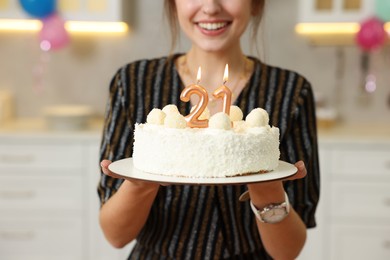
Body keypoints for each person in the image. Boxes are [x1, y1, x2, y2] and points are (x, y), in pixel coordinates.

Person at [98, 0, 320, 259]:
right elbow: (115, 236)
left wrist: (268, 189)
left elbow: (288, 252)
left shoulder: (291, 91)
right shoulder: (133, 83)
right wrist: (141, 184)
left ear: (256, 4)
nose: (211, 7)